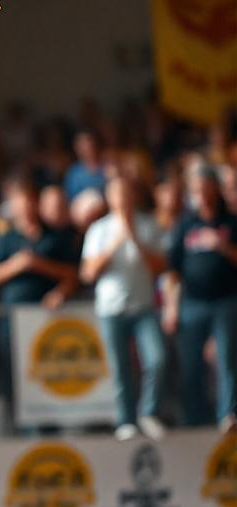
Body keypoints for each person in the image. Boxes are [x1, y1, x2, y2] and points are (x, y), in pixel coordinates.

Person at [80, 176, 167, 441]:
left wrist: (136, 240)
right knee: (120, 368)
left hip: (143, 306)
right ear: (110, 198)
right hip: (111, 308)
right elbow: (88, 272)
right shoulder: (99, 229)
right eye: (118, 194)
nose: (123, 199)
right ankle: (125, 420)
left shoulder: (149, 225)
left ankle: (148, 411)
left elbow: (160, 267)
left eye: (127, 193)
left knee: (157, 358)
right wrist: (117, 242)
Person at [0, 176, 79, 406]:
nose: (25, 206)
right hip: (13, 318)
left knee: (46, 372)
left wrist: (40, 266)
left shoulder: (55, 236)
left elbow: (72, 274)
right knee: (15, 372)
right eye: (19, 201)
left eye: (28, 200)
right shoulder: (6, 237)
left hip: (48, 319)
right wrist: (17, 264)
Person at [163, 165, 237, 431]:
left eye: (207, 190)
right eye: (198, 191)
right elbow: (173, 270)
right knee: (190, 362)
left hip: (226, 300)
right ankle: (194, 417)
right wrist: (171, 307)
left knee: (227, 359)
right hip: (192, 302)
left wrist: (222, 246)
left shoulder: (231, 221)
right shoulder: (186, 223)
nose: (203, 196)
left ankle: (228, 414)